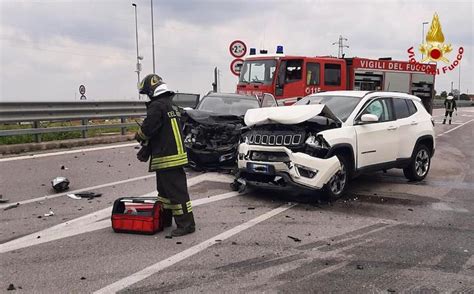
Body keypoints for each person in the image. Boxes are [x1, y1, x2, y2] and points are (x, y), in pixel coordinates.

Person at [135, 74, 195, 237]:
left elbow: (149, 129)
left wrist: (139, 135)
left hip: (168, 157)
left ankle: (186, 224)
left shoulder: (157, 106)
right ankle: (166, 219)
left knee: (176, 193)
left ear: (152, 90)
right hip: (170, 155)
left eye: (147, 93)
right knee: (165, 193)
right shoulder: (171, 105)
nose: (147, 96)